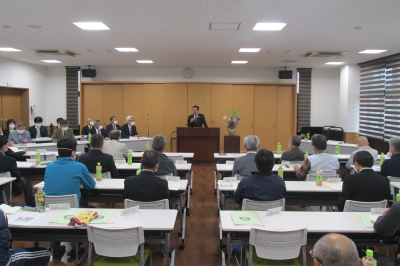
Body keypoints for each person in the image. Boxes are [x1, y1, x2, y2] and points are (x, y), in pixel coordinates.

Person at [44, 138, 96, 258]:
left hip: (50, 208)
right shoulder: (79, 166)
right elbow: (91, 186)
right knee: (90, 210)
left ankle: (55, 247)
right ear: (73, 152)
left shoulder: (49, 166)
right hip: (73, 210)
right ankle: (75, 244)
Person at [0, 136, 34, 206]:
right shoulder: (9, 160)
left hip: (3, 186)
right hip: (9, 186)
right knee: (26, 180)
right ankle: (30, 205)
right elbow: (17, 177)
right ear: (4, 147)